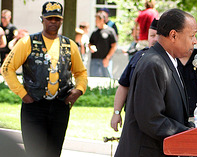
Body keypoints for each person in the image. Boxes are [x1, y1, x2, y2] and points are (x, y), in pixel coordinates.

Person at [1, 1, 88, 157]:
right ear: (42, 19)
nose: (53, 22)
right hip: (34, 105)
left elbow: (81, 72)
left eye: (56, 19)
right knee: (34, 152)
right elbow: (7, 69)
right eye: (49, 18)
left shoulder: (70, 45)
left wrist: (79, 90)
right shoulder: (28, 42)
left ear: (61, 20)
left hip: (60, 106)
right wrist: (23, 94)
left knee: (54, 152)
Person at [115, 8, 197, 156]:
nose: (195, 41)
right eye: (192, 35)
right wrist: (188, 134)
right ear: (173, 35)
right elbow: (151, 119)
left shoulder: (168, 61)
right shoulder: (153, 64)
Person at [111, 18, 158, 132]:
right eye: (151, 35)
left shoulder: (172, 60)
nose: (154, 39)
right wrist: (117, 112)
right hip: (133, 118)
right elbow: (123, 85)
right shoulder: (138, 56)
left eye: (158, 35)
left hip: (156, 121)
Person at [89, 11, 117, 77]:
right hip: (94, 60)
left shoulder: (110, 31)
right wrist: (91, 47)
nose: (95, 21)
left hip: (105, 60)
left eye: (97, 19)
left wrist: (107, 58)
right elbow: (90, 43)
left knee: (107, 79)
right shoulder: (94, 32)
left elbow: (114, 46)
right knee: (93, 78)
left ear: (102, 20)